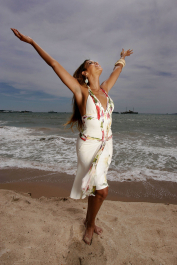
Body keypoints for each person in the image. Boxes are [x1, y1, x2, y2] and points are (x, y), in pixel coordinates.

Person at [11, 28, 133, 245]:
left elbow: (117, 70)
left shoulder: (105, 90)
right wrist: (31, 42)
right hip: (88, 146)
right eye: (91, 63)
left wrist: (122, 58)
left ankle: (90, 220)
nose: (96, 63)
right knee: (102, 190)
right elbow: (54, 64)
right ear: (84, 73)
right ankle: (89, 224)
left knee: (97, 188)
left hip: (107, 146)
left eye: (97, 61)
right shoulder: (80, 92)